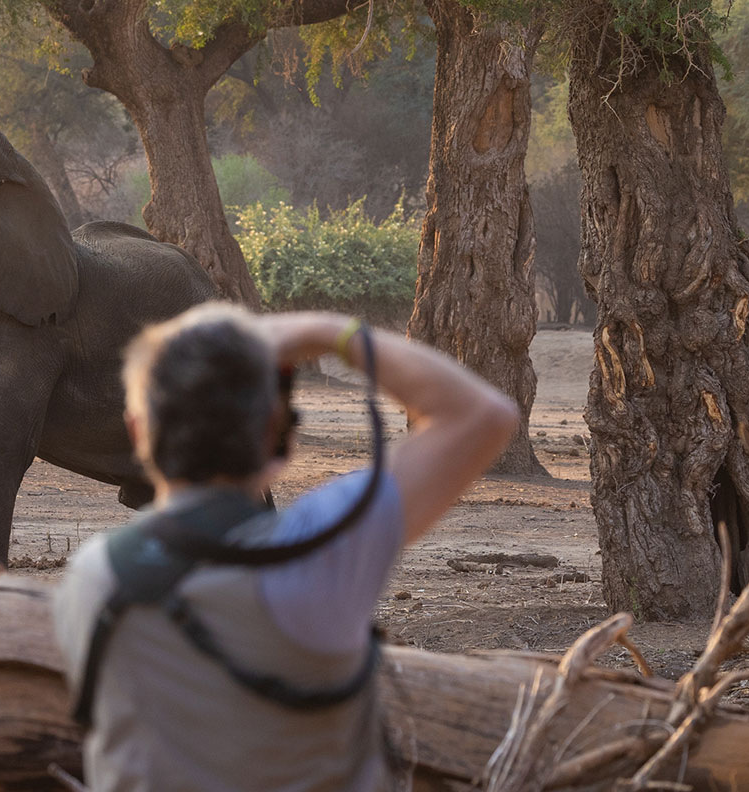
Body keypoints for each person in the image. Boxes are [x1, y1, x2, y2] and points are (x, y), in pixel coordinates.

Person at [52, 304, 519, 792]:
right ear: (279, 433)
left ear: (137, 431)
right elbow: (481, 414)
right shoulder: (323, 550)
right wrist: (327, 331)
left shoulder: (91, 575)